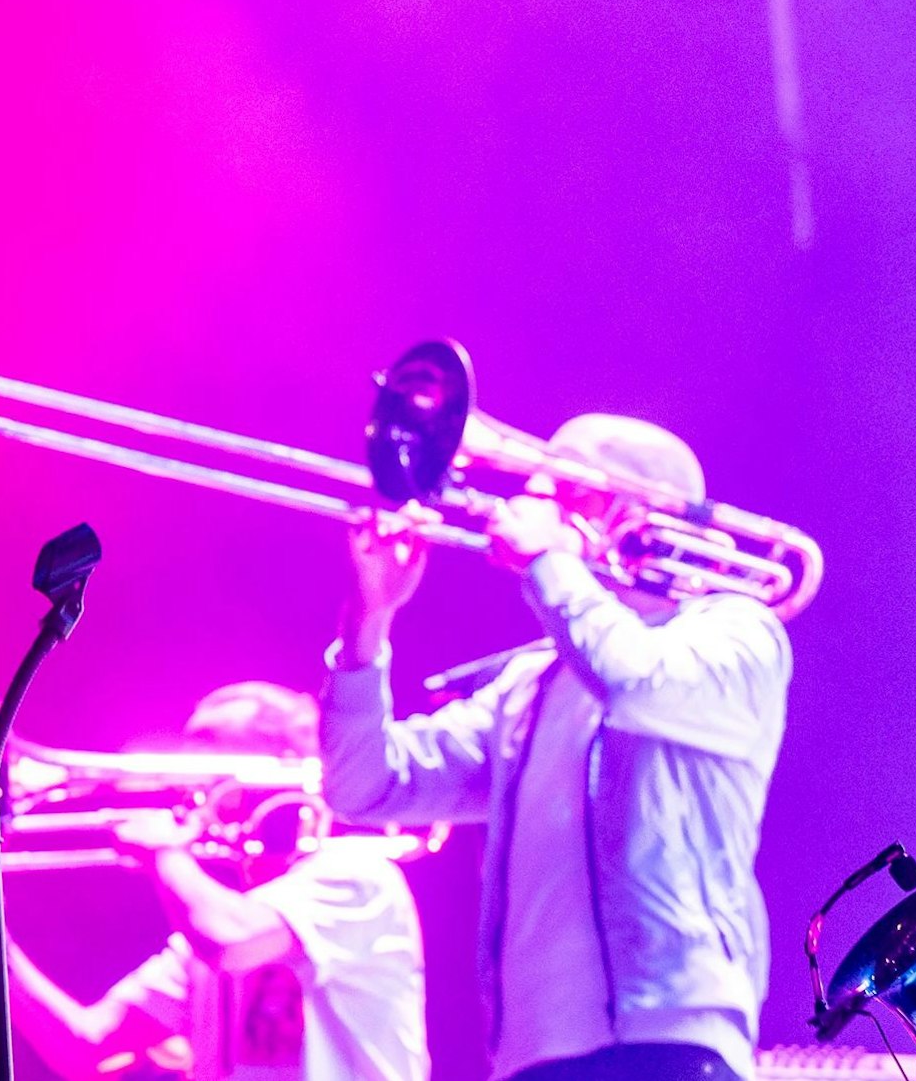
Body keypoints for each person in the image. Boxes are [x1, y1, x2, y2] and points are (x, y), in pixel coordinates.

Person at [318, 413, 791, 1081]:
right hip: (528, 1054)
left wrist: (550, 561)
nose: (529, 506)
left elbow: (633, 682)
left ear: (638, 510)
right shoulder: (530, 681)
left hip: (669, 1033)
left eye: (571, 492)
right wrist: (370, 616)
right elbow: (366, 786)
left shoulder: (737, 630)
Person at [0, 682, 429, 1081]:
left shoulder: (358, 876)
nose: (190, 788)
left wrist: (165, 852)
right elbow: (89, 1049)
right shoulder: (208, 931)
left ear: (282, 764)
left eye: (211, 751)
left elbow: (230, 939)